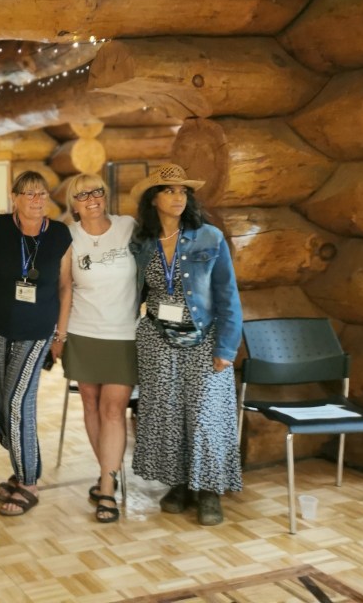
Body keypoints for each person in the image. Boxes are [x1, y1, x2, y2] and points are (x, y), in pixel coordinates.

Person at [129, 163, 243, 526]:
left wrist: (226, 348)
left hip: (205, 337)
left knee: (206, 416)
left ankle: (209, 492)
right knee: (167, 414)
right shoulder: (141, 242)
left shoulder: (209, 237)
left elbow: (228, 296)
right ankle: (178, 484)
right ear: (153, 199)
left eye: (183, 191)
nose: (178, 197)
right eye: (169, 190)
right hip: (156, 338)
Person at [0, 170, 71, 516]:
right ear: (14, 196)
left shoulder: (59, 234)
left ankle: (29, 481)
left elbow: (65, 286)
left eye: (42, 194)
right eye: (29, 194)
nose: (36, 200)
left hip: (37, 330)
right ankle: (22, 467)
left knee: (18, 403)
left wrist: (60, 333)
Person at [53, 173, 137, 524]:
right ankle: (109, 475)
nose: (91, 198)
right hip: (83, 333)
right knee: (90, 402)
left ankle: (106, 485)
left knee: (113, 409)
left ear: (105, 196)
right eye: (82, 194)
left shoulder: (127, 226)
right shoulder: (68, 236)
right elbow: (65, 289)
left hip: (123, 334)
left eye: (97, 191)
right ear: (73, 203)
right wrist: (60, 336)